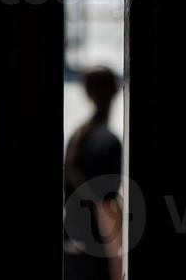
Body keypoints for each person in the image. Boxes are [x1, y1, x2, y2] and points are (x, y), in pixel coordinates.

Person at [63, 65, 123, 280]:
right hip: (95, 254)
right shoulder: (108, 142)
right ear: (116, 90)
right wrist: (115, 260)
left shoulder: (77, 138)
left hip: (71, 249)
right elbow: (105, 206)